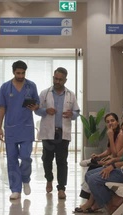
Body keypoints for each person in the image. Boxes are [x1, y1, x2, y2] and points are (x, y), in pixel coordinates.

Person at [0, 60, 40, 200]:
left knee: (26, 157)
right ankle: (15, 189)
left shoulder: (31, 86)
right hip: (11, 128)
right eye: (18, 73)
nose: (20, 75)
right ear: (13, 72)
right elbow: (2, 107)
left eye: (23, 73)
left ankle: (25, 179)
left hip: (26, 127)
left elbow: (37, 104)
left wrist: (35, 107)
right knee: (12, 159)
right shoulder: (5, 87)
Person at [35, 67, 80, 199]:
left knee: (62, 161)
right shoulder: (45, 93)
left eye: (60, 79)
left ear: (65, 80)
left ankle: (61, 188)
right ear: (53, 78)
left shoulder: (70, 95)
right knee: (46, 159)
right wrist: (45, 111)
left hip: (62, 133)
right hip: (48, 132)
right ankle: (49, 179)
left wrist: (72, 114)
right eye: (56, 78)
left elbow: (77, 112)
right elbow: (36, 110)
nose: (57, 81)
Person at [75, 113, 123, 213]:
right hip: (113, 161)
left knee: (92, 172)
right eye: (108, 122)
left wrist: (111, 137)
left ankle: (92, 202)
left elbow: (115, 153)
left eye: (112, 120)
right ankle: (94, 202)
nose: (110, 123)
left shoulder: (120, 134)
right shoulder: (112, 133)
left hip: (118, 165)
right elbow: (109, 151)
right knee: (91, 170)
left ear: (117, 121)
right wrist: (99, 156)